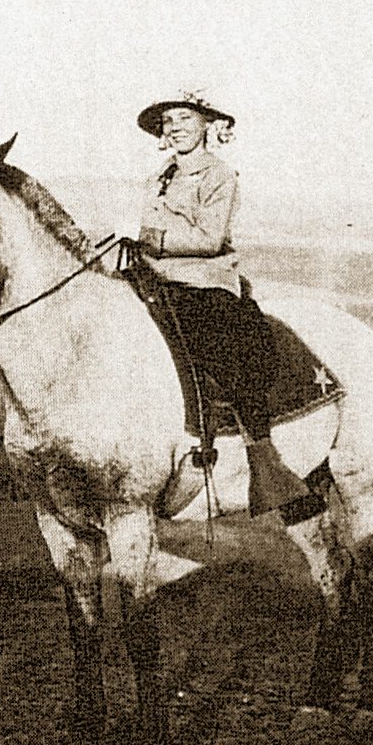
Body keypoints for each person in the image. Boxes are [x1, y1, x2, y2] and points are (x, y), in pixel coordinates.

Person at [118, 89, 309, 517]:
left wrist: (150, 240)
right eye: (168, 121)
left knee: (218, 351)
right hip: (156, 278)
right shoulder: (160, 176)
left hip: (203, 283)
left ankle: (252, 452)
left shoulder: (219, 174)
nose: (176, 127)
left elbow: (209, 239)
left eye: (185, 117)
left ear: (207, 124)